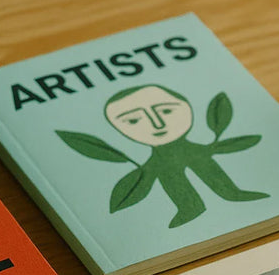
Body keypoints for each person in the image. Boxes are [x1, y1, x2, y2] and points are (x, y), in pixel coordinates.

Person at [102, 85, 268, 227]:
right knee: (173, 180)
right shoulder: (153, 165)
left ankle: (232, 193)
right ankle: (188, 208)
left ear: (187, 108)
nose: (157, 124)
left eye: (166, 110)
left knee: (206, 168)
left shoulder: (198, 149)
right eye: (133, 120)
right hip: (160, 161)